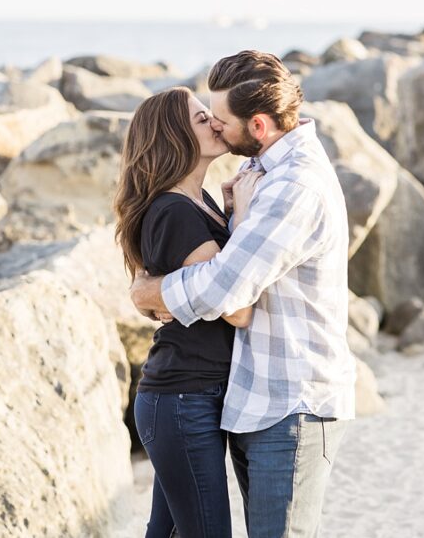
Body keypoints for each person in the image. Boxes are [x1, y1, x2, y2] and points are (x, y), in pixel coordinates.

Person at [129, 50, 355, 538]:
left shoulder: (293, 186)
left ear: (256, 125)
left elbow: (230, 292)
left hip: (291, 403)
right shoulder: (258, 178)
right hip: (255, 401)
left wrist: (151, 293)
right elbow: (234, 276)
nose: (214, 125)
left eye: (220, 118)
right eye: (204, 116)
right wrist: (237, 218)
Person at [114, 86, 254, 538]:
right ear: (174, 137)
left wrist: (231, 215)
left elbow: (215, 276)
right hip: (182, 398)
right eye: (200, 119)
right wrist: (248, 217)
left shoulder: (200, 201)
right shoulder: (174, 209)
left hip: (188, 396)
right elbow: (237, 308)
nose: (215, 122)